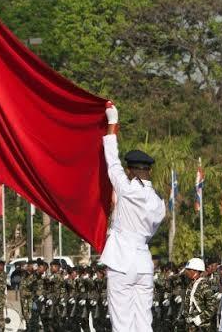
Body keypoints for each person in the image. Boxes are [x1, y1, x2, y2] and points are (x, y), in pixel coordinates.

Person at [100, 103, 166, 332]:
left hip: (121, 260)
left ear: (131, 171)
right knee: (143, 324)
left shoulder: (127, 191)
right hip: (143, 263)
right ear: (149, 171)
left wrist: (112, 122)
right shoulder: (159, 203)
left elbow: (112, 161)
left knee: (122, 324)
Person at [179, 258, 218, 331]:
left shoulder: (204, 285)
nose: (186, 272)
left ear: (195, 271)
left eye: (188, 270)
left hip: (201, 327)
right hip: (190, 326)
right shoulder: (191, 284)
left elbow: (212, 307)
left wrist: (200, 318)